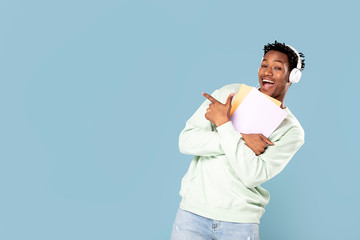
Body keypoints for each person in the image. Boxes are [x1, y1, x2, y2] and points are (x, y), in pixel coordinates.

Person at [170, 41, 306, 240]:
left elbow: (252, 175)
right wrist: (242, 137)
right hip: (192, 214)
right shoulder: (229, 94)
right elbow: (186, 141)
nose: (267, 72)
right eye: (264, 65)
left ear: (293, 76)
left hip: (240, 223)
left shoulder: (291, 130)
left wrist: (224, 124)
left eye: (277, 67)